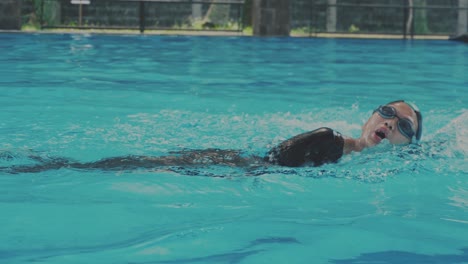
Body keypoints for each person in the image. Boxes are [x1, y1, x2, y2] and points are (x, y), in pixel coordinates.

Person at [1, 100, 422, 174]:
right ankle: (30, 162)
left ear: (409, 145)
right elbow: (273, 160)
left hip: (240, 168)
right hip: (229, 164)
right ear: (370, 117)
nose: (390, 122)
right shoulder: (331, 141)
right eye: (386, 112)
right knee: (106, 167)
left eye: (404, 126)